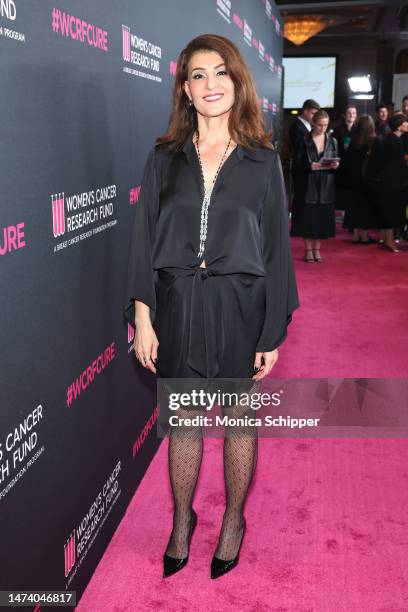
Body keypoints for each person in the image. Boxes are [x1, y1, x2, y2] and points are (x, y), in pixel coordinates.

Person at [123, 34, 299, 580]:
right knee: (186, 423)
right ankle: (182, 520)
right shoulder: (163, 159)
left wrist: (272, 332)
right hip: (176, 306)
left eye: (221, 72)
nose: (211, 84)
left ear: (238, 81)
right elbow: (143, 239)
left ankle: (235, 521)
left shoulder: (262, 161)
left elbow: (275, 249)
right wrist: (144, 317)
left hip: (240, 306)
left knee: (239, 422)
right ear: (185, 89)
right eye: (198, 75)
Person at [290, 109, 339, 262]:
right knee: (308, 218)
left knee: (321, 218)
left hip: (325, 184)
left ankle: (317, 249)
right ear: (313, 123)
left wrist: (335, 165)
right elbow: (296, 164)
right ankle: (308, 250)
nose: (323, 128)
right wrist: (308, 166)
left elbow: (335, 160)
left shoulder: (333, 141)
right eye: (320, 125)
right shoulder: (303, 140)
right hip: (308, 184)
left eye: (325, 125)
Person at [342, 115, 379, 243]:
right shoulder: (374, 142)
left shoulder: (352, 141)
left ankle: (356, 235)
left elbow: (347, 161)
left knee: (354, 207)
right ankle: (364, 236)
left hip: (353, 180)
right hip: (367, 180)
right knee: (366, 208)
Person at [377, 113, 408, 252]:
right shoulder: (394, 140)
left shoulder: (393, 138)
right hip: (392, 182)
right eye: (406, 122)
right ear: (399, 126)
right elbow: (398, 164)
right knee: (391, 212)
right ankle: (390, 243)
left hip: (390, 180)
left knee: (389, 212)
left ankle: (387, 241)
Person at [333, 104, 358, 214]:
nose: (351, 115)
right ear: (344, 115)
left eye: (354, 113)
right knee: (341, 190)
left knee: (352, 191)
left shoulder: (358, 130)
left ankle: (349, 213)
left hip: (353, 164)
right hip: (341, 164)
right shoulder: (337, 130)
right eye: (349, 113)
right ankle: (342, 213)